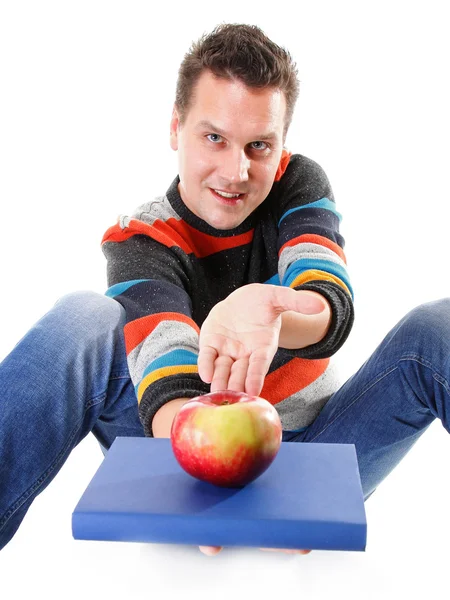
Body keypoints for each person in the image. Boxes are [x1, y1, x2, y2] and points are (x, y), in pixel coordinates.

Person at [0, 23, 449, 559]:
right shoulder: (140, 237)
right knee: (83, 314)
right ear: (175, 127)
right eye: (214, 137)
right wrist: (208, 487)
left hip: (313, 453)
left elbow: (328, 297)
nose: (236, 171)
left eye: (258, 146)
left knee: (438, 325)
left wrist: (274, 308)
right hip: (179, 450)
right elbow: (165, 372)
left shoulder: (298, 182)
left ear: (281, 146)